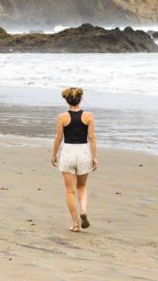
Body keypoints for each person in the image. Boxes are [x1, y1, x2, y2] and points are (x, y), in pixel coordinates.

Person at [51, 87, 98, 232]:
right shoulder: (89, 116)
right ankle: (83, 210)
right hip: (83, 152)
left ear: (66, 100)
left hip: (68, 152)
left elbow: (59, 137)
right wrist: (95, 157)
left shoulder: (62, 117)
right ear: (80, 99)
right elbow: (91, 138)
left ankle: (75, 224)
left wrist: (54, 155)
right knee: (82, 187)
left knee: (70, 191)